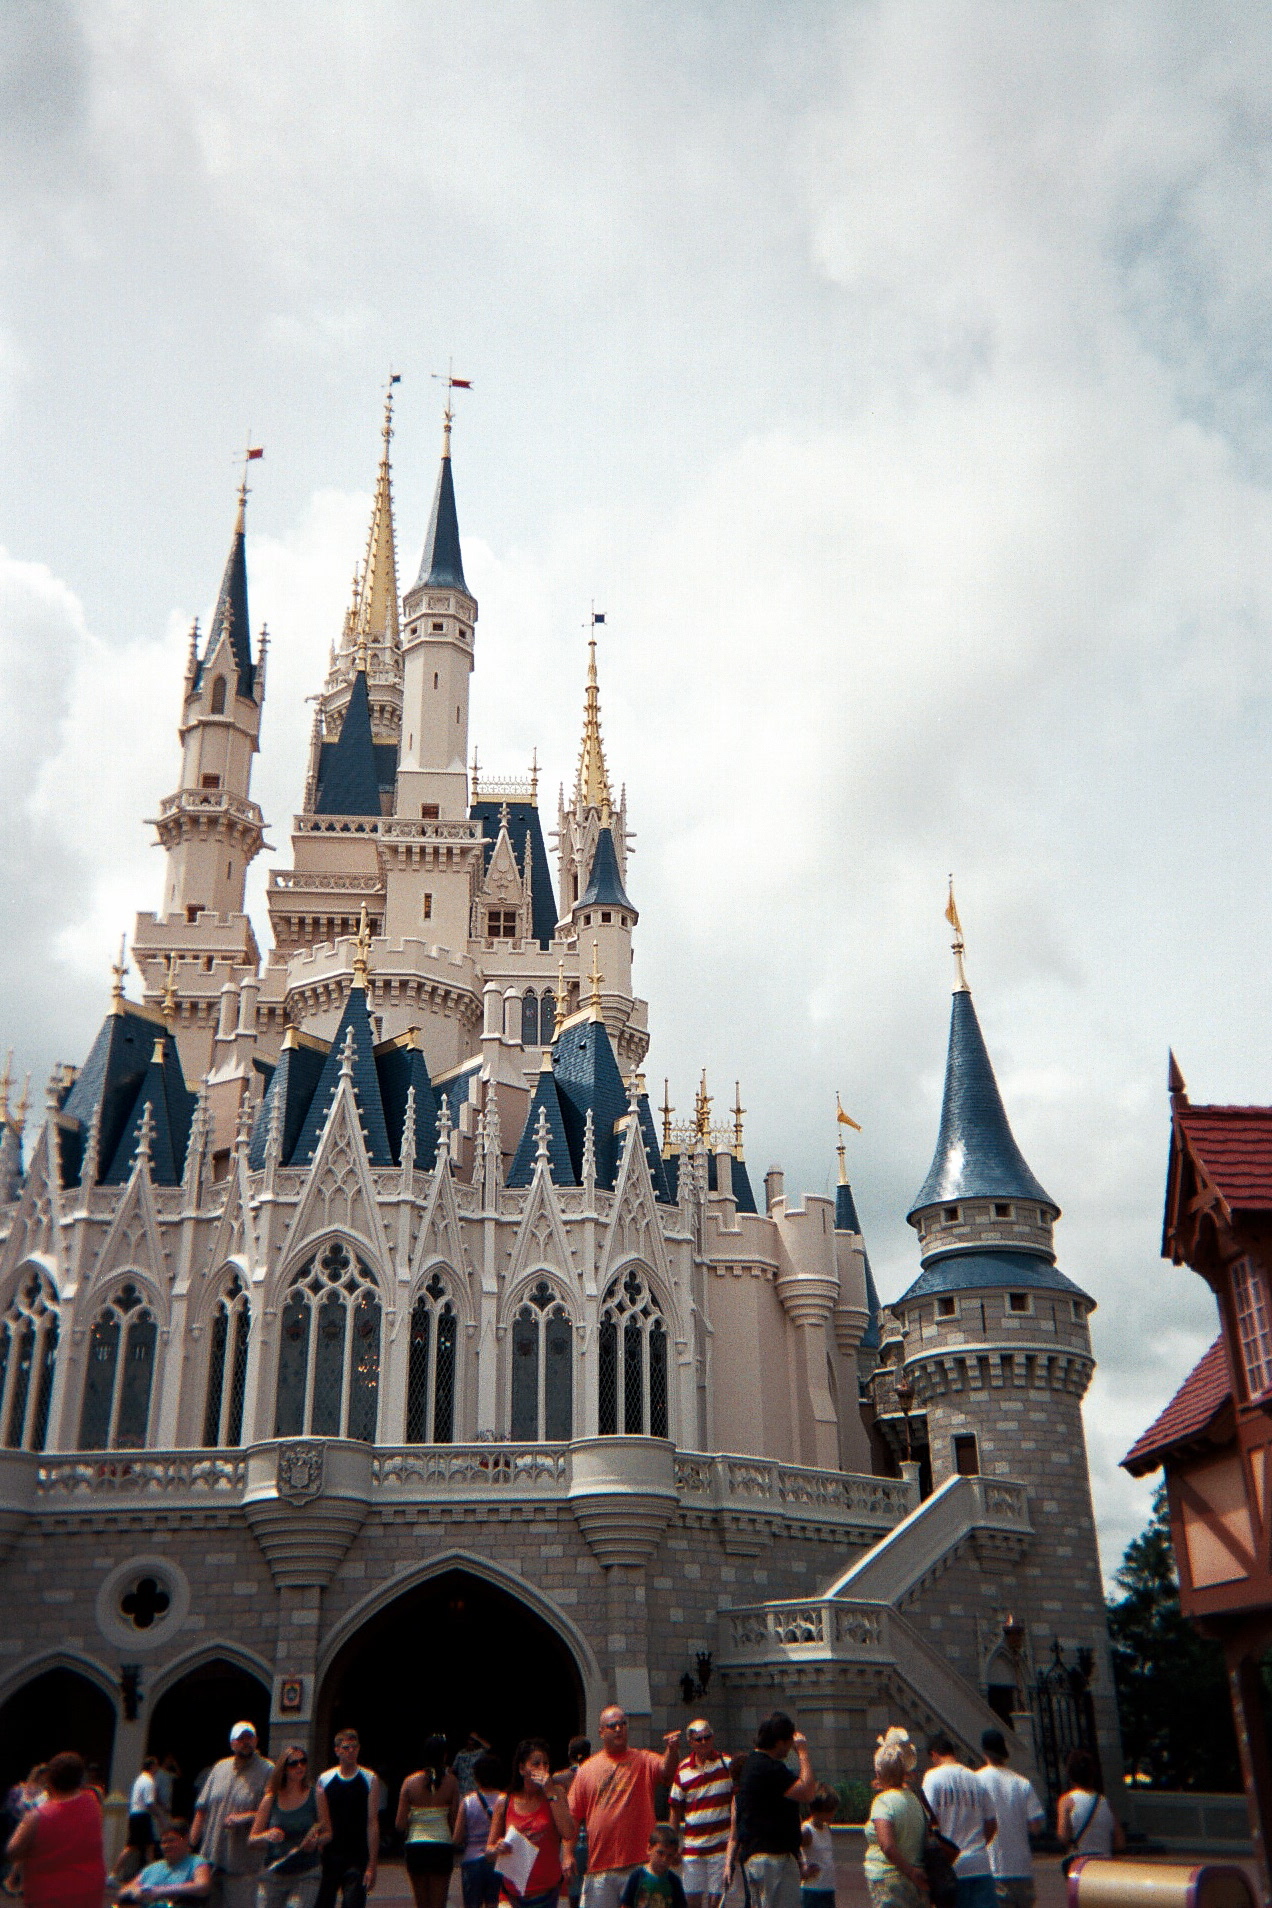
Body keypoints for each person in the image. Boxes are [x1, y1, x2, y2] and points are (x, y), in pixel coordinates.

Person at [569, 1710, 681, 1908]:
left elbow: (667, 1771)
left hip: (638, 1865)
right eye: (612, 1726)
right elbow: (573, 1817)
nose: (619, 1729)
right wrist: (568, 1855)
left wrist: (672, 1751)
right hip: (600, 1868)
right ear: (601, 1731)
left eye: (623, 1724)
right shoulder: (587, 1769)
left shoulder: (643, 1760)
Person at [733, 1713, 816, 1908]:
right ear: (779, 1742)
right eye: (789, 1742)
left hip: (758, 1856)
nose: (790, 1748)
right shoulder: (768, 1768)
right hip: (772, 1859)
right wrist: (803, 1753)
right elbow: (808, 1792)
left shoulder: (752, 1764)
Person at [4, 1751, 106, 1908]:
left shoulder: (38, 1817)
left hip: (49, 1896)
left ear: (50, 1780)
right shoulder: (92, 1804)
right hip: (89, 1891)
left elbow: (12, 1851)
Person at [191, 1724, 275, 1908]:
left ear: (256, 1741)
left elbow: (273, 1812)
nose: (246, 1742)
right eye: (241, 1739)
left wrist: (246, 1817)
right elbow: (201, 1808)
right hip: (210, 1858)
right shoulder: (220, 1767)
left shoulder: (268, 1770)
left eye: (249, 1738)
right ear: (232, 1743)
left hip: (242, 1865)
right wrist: (191, 1845)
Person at [486, 1738, 575, 1908]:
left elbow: (568, 1832)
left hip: (550, 1892)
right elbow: (489, 1851)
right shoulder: (505, 1801)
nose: (542, 1769)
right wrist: (497, 1848)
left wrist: (550, 1791)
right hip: (512, 1894)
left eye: (546, 1764)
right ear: (521, 1768)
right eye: (535, 1764)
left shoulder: (555, 1795)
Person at [249, 1746, 331, 1908]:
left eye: (303, 1762)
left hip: (307, 1871)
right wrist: (267, 1835)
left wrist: (315, 1842)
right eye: (293, 1763)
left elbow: (328, 1833)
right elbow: (252, 1839)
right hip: (275, 1871)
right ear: (283, 1768)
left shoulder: (316, 1795)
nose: (299, 1766)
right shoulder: (270, 1799)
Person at [922, 1737, 996, 1908]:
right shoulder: (976, 1779)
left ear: (933, 1755)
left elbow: (927, 1819)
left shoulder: (933, 1777)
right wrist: (980, 1843)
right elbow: (991, 1822)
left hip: (951, 1867)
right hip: (980, 1864)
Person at [315, 1730, 382, 1908]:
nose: (350, 1751)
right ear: (337, 1750)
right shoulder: (325, 1779)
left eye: (354, 1747)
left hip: (357, 1856)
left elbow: (372, 1822)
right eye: (346, 1747)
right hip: (330, 1854)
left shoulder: (370, 1779)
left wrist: (372, 1864)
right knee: (322, 1902)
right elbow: (321, 1820)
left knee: (353, 1903)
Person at [668, 1721, 731, 1908]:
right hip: (692, 1848)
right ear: (691, 1742)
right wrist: (673, 1845)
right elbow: (675, 1808)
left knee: (716, 1901)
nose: (704, 1742)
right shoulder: (683, 1769)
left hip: (720, 1847)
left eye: (707, 1737)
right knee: (691, 1901)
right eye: (699, 1739)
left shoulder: (726, 1764)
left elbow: (737, 1802)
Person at [975, 1732, 1042, 1908]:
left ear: (984, 1753)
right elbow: (1036, 1825)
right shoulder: (1022, 1783)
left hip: (993, 1866)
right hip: (1022, 1868)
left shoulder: (977, 1780)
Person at [862, 1733, 925, 1908]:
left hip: (889, 1879)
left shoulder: (883, 1802)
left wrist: (910, 1871)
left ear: (878, 1772)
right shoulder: (914, 1799)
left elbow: (888, 1846)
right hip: (915, 1879)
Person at [397, 1736, 459, 1908]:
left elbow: (399, 1824)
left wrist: (413, 1819)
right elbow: (454, 1820)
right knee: (439, 1902)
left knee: (421, 1902)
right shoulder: (452, 1783)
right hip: (442, 1846)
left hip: (416, 1846)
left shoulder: (409, 1782)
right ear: (444, 1756)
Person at [118, 1818, 213, 1908]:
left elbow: (202, 1886)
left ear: (185, 1839)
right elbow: (123, 1891)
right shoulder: (152, 1868)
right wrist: (135, 1891)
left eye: (171, 1841)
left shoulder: (197, 1862)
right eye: (163, 1842)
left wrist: (161, 1891)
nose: (167, 1846)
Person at [453, 1752, 502, 1908]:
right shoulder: (505, 1799)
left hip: (471, 1860)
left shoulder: (467, 1801)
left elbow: (457, 1838)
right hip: (497, 1860)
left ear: (476, 1776)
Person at [1056, 1751, 1123, 1865]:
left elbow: (1063, 1836)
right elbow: (1120, 1842)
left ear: (1070, 1775)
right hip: (1105, 1862)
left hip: (1081, 1863)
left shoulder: (1067, 1801)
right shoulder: (1106, 1802)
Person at [552, 1740, 591, 1908]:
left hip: (569, 1838)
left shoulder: (559, 1779)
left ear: (569, 1755)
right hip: (592, 1835)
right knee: (592, 1889)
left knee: (573, 1891)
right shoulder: (594, 1774)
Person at [617, 1827, 687, 1908]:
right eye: (660, 1853)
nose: (664, 1859)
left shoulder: (674, 1881)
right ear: (649, 1849)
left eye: (669, 1856)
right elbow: (626, 1904)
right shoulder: (637, 1876)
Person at [118, 1757, 163, 1882]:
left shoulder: (139, 1780)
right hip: (142, 1816)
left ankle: (149, 1875)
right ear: (152, 1767)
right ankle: (114, 1873)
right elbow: (149, 1803)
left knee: (147, 1846)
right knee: (136, 1846)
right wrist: (159, 1816)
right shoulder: (149, 1781)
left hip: (134, 1814)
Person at [799, 1788, 838, 1908]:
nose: (832, 1814)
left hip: (828, 1887)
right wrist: (802, 1869)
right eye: (828, 1811)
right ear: (815, 1811)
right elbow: (793, 1849)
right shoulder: (807, 1831)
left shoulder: (826, 1828)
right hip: (812, 1889)